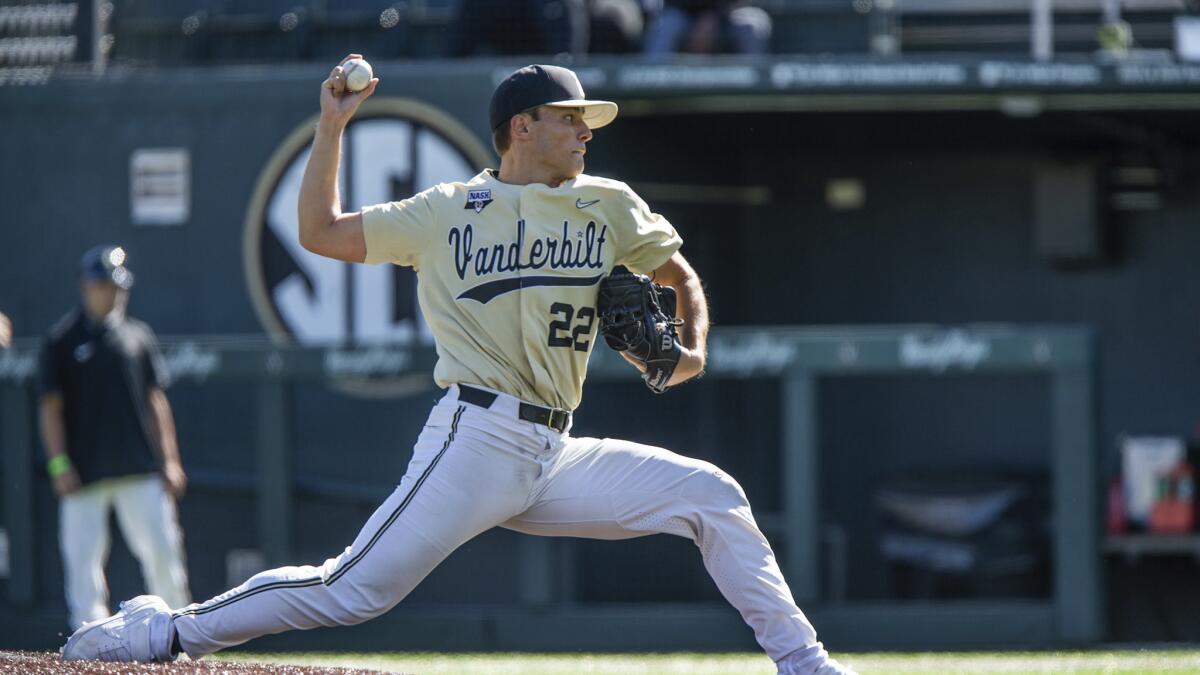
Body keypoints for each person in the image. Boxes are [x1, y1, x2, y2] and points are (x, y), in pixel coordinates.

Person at [62, 60, 855, 675]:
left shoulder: (607, 202)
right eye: (570, 117)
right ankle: (166, 630)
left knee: (712, 496)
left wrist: (691, 350)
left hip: (553, 452)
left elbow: (677, 274)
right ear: (522, 125)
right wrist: (332, 125)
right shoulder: (443, 211)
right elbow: (320, 231)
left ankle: (803, 660)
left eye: (588, 120)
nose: (586, 130)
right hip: (474, 437)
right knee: (351, 590)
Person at [41, 245, 191, 631]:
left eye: (117, 286)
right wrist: (59, 465)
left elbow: (156, 402)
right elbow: (50, 410)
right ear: (85, 286)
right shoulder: (61, 341)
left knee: (163, 556)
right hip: (84, 475)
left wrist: (170, 460)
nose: (111, 293)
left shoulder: (138, 337)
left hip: (139, 471)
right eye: (103, 285)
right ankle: (88, 646)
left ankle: (179, 635)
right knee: (82, 569)